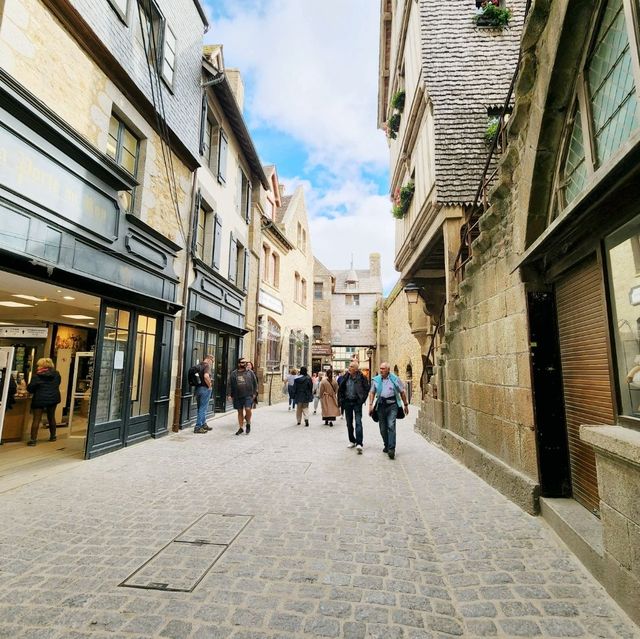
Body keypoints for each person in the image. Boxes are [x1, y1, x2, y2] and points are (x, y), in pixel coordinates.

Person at [368, 362, 409, 460]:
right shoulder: (376, 380)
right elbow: (372, 392)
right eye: (380, 368)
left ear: (388, 370)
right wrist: (370, 405)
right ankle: (386, 445)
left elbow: (402, 392)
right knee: (382, 428)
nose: (381, 370)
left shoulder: (395, 379)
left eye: (383, 369)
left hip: (392, 405)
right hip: (381, 406)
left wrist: (406, 404)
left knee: (391, 425)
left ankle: (391, 449)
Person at [26, 357, 61, 446]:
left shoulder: (37, 376)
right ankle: (53, 436)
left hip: (39, 398)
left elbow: (30, 388)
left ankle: (33, 440)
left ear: (42, 365)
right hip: (53, 398)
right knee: (51, 417)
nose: (37, 366)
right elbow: (57, 384)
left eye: (38, 365)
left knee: (36, 419)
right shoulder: (56, 374)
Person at [337, 361, 370, 454]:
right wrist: (341, 400)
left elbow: (367, 388)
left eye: (351, 366)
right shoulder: (345, 377)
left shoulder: (362, 378)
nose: (349, 368)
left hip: (357, 402)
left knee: (358, 422)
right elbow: (341, 388)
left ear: (356, 369)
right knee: (349, 422)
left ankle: (359, 443)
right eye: (349, 366)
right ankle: (352, 440)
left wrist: (362, 400)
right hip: (347, 402)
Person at [229, 358, 258, 435]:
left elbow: (255, 383)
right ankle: (241, 427)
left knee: (248, 409)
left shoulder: (250, 372)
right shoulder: (233, 374)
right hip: (237, 395)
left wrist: (255, 393)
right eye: (242, 362)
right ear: (238, 364)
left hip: (248, 395)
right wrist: (230, 394)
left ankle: (248, 423)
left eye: (245, 362)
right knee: (240, 411)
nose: (244, 364)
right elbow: (230, 385)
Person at [193, 354, 214, 434]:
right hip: (205, 389)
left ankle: (204, 424)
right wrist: (210, 385)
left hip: (197, 389)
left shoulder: (198, 366)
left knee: (200, 408)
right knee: (203, 408)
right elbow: (206, 376)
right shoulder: (207, 366)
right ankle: (198, 427)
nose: (212, 363)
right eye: (212, 361)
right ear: (209, 359)